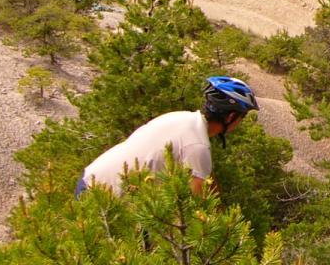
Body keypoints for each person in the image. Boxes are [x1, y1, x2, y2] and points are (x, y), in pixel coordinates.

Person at [74, 76, 259, 198]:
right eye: (241, 117)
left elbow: (206, 178)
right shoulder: (197, 146)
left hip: (91, 178)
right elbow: (201, 205)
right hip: (104, 198)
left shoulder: (180, 117)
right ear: (231, 116)